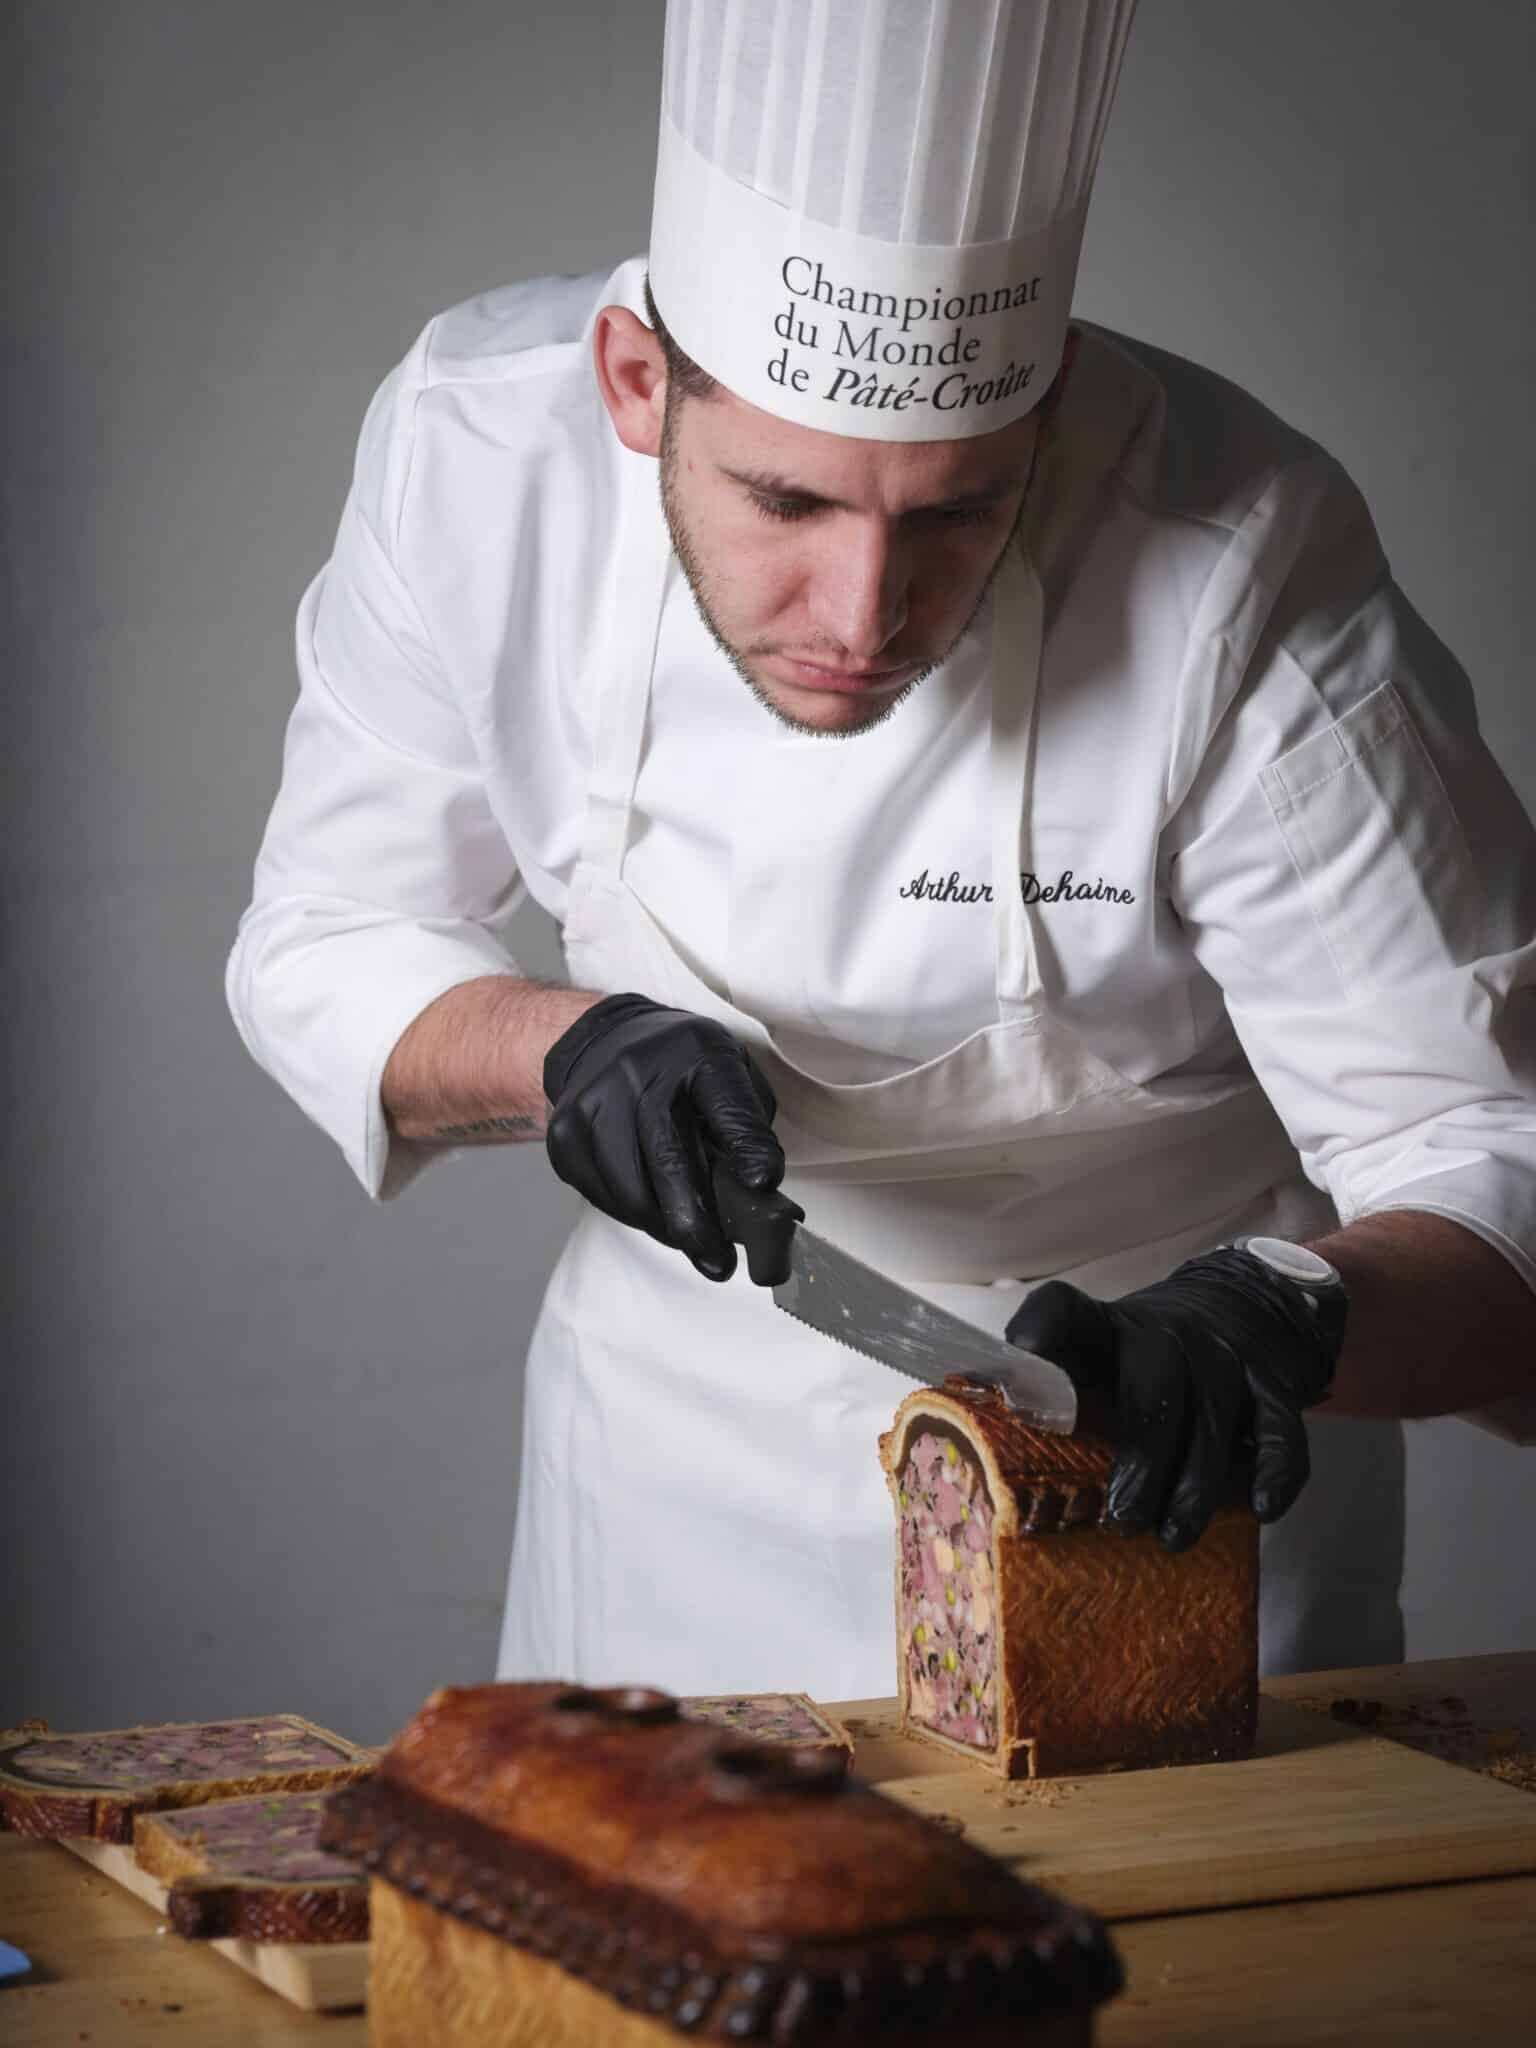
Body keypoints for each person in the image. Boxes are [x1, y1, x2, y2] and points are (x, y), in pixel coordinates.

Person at [227, 0, 1536, 1699]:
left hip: (1154, 1488)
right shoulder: (483, 460)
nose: (863, 615)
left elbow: (1492, 1145)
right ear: (637, 386)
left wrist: (1280, 1317)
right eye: (787, 502)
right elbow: (328, 932)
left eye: (957, 509)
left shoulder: (1241, 569)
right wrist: (567, 1049)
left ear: (1047, 417)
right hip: (674, 1496)